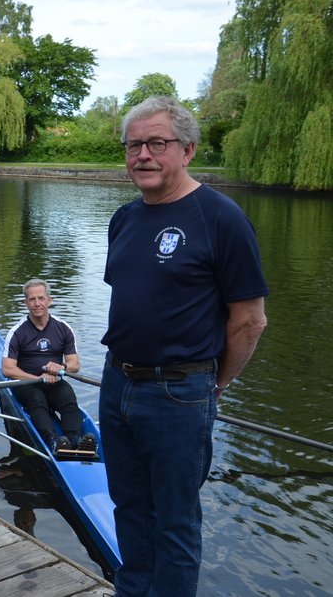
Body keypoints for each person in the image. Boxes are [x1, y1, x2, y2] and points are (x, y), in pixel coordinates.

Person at [100, 96, 268, 596]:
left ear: (188, 150)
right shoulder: (124, 219)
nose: (143, 155)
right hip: (117, 383)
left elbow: (250, 321)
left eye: (158, 143)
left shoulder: (221, 218)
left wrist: (214, 385)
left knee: (174, 521)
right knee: (128, 507)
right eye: (134, 145)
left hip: (180, 392)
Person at [1, 279, 96, 454]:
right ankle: (52, 441)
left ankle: (75, 439)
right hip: (26, 383)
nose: (37, 304)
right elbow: (7, 369)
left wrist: (62, 367)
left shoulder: (63, 328)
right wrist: (37, 378)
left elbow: (75, 365)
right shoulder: (17, 331)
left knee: (68, 396)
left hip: (54, 381)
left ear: (49, 300)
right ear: (25, 303)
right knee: (37, 400)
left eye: (41, 298)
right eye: (32, 299)